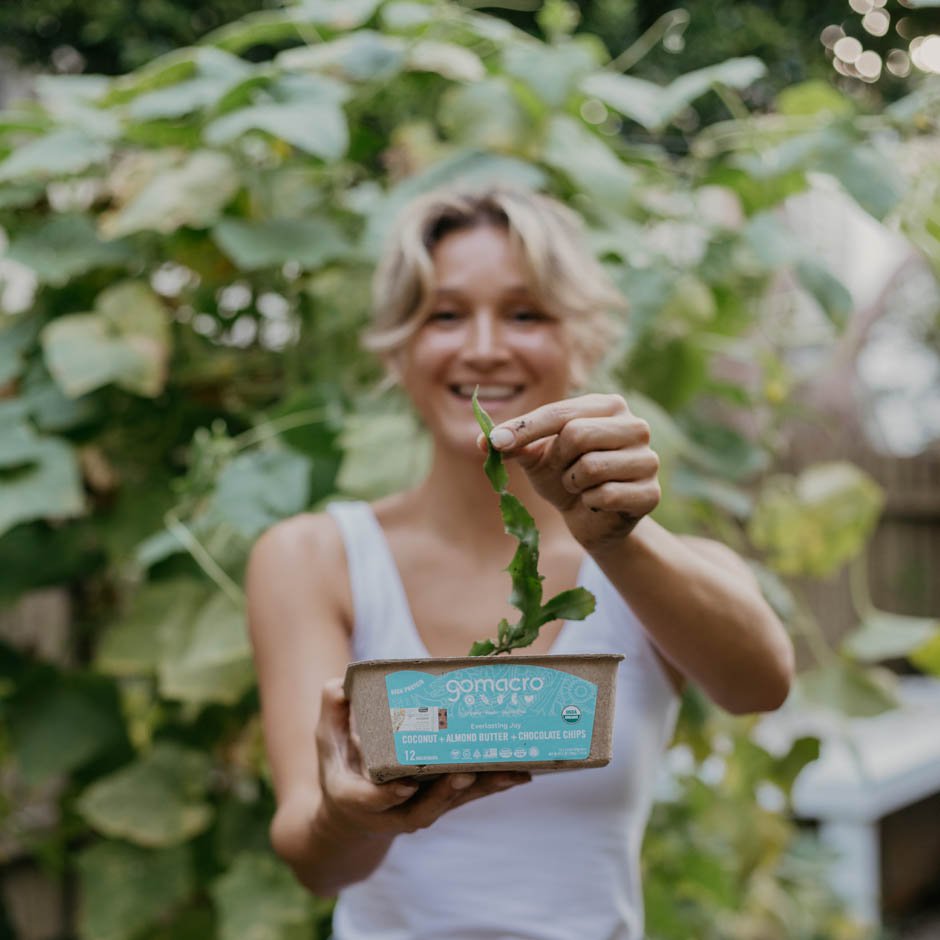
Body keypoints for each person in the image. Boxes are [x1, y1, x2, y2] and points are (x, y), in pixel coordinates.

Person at [246, 185, 795, 940]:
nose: (482, 347)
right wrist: (347, 816)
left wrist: (617, 536)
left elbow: (760, 683)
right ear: (398, 347)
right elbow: (314, 862)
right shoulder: (312, 558)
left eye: (525, 312)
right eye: (444, 314)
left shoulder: (650, 564)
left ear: (586, 341)